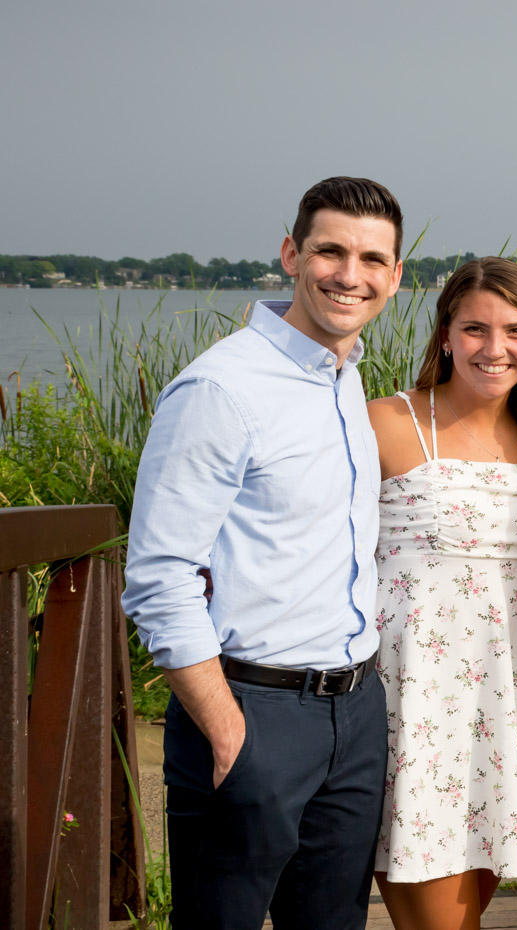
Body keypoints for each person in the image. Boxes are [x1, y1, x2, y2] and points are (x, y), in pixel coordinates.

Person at [122, 177, 403, 928]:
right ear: (291, 254)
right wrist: (224, 726)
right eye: (331, 251)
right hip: (253, 708)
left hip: (354, 711)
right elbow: (158, 577)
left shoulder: (344, 377)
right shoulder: (221, 387)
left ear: (395, 276)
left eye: (373, 258)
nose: (351, 274)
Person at [366, 257, 517, 929]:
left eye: (515, 330)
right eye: (475, 328)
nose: (495, 348)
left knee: (468, 912)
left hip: (501, 706)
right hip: (412, 706)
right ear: (446, 334)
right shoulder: (384, 423)